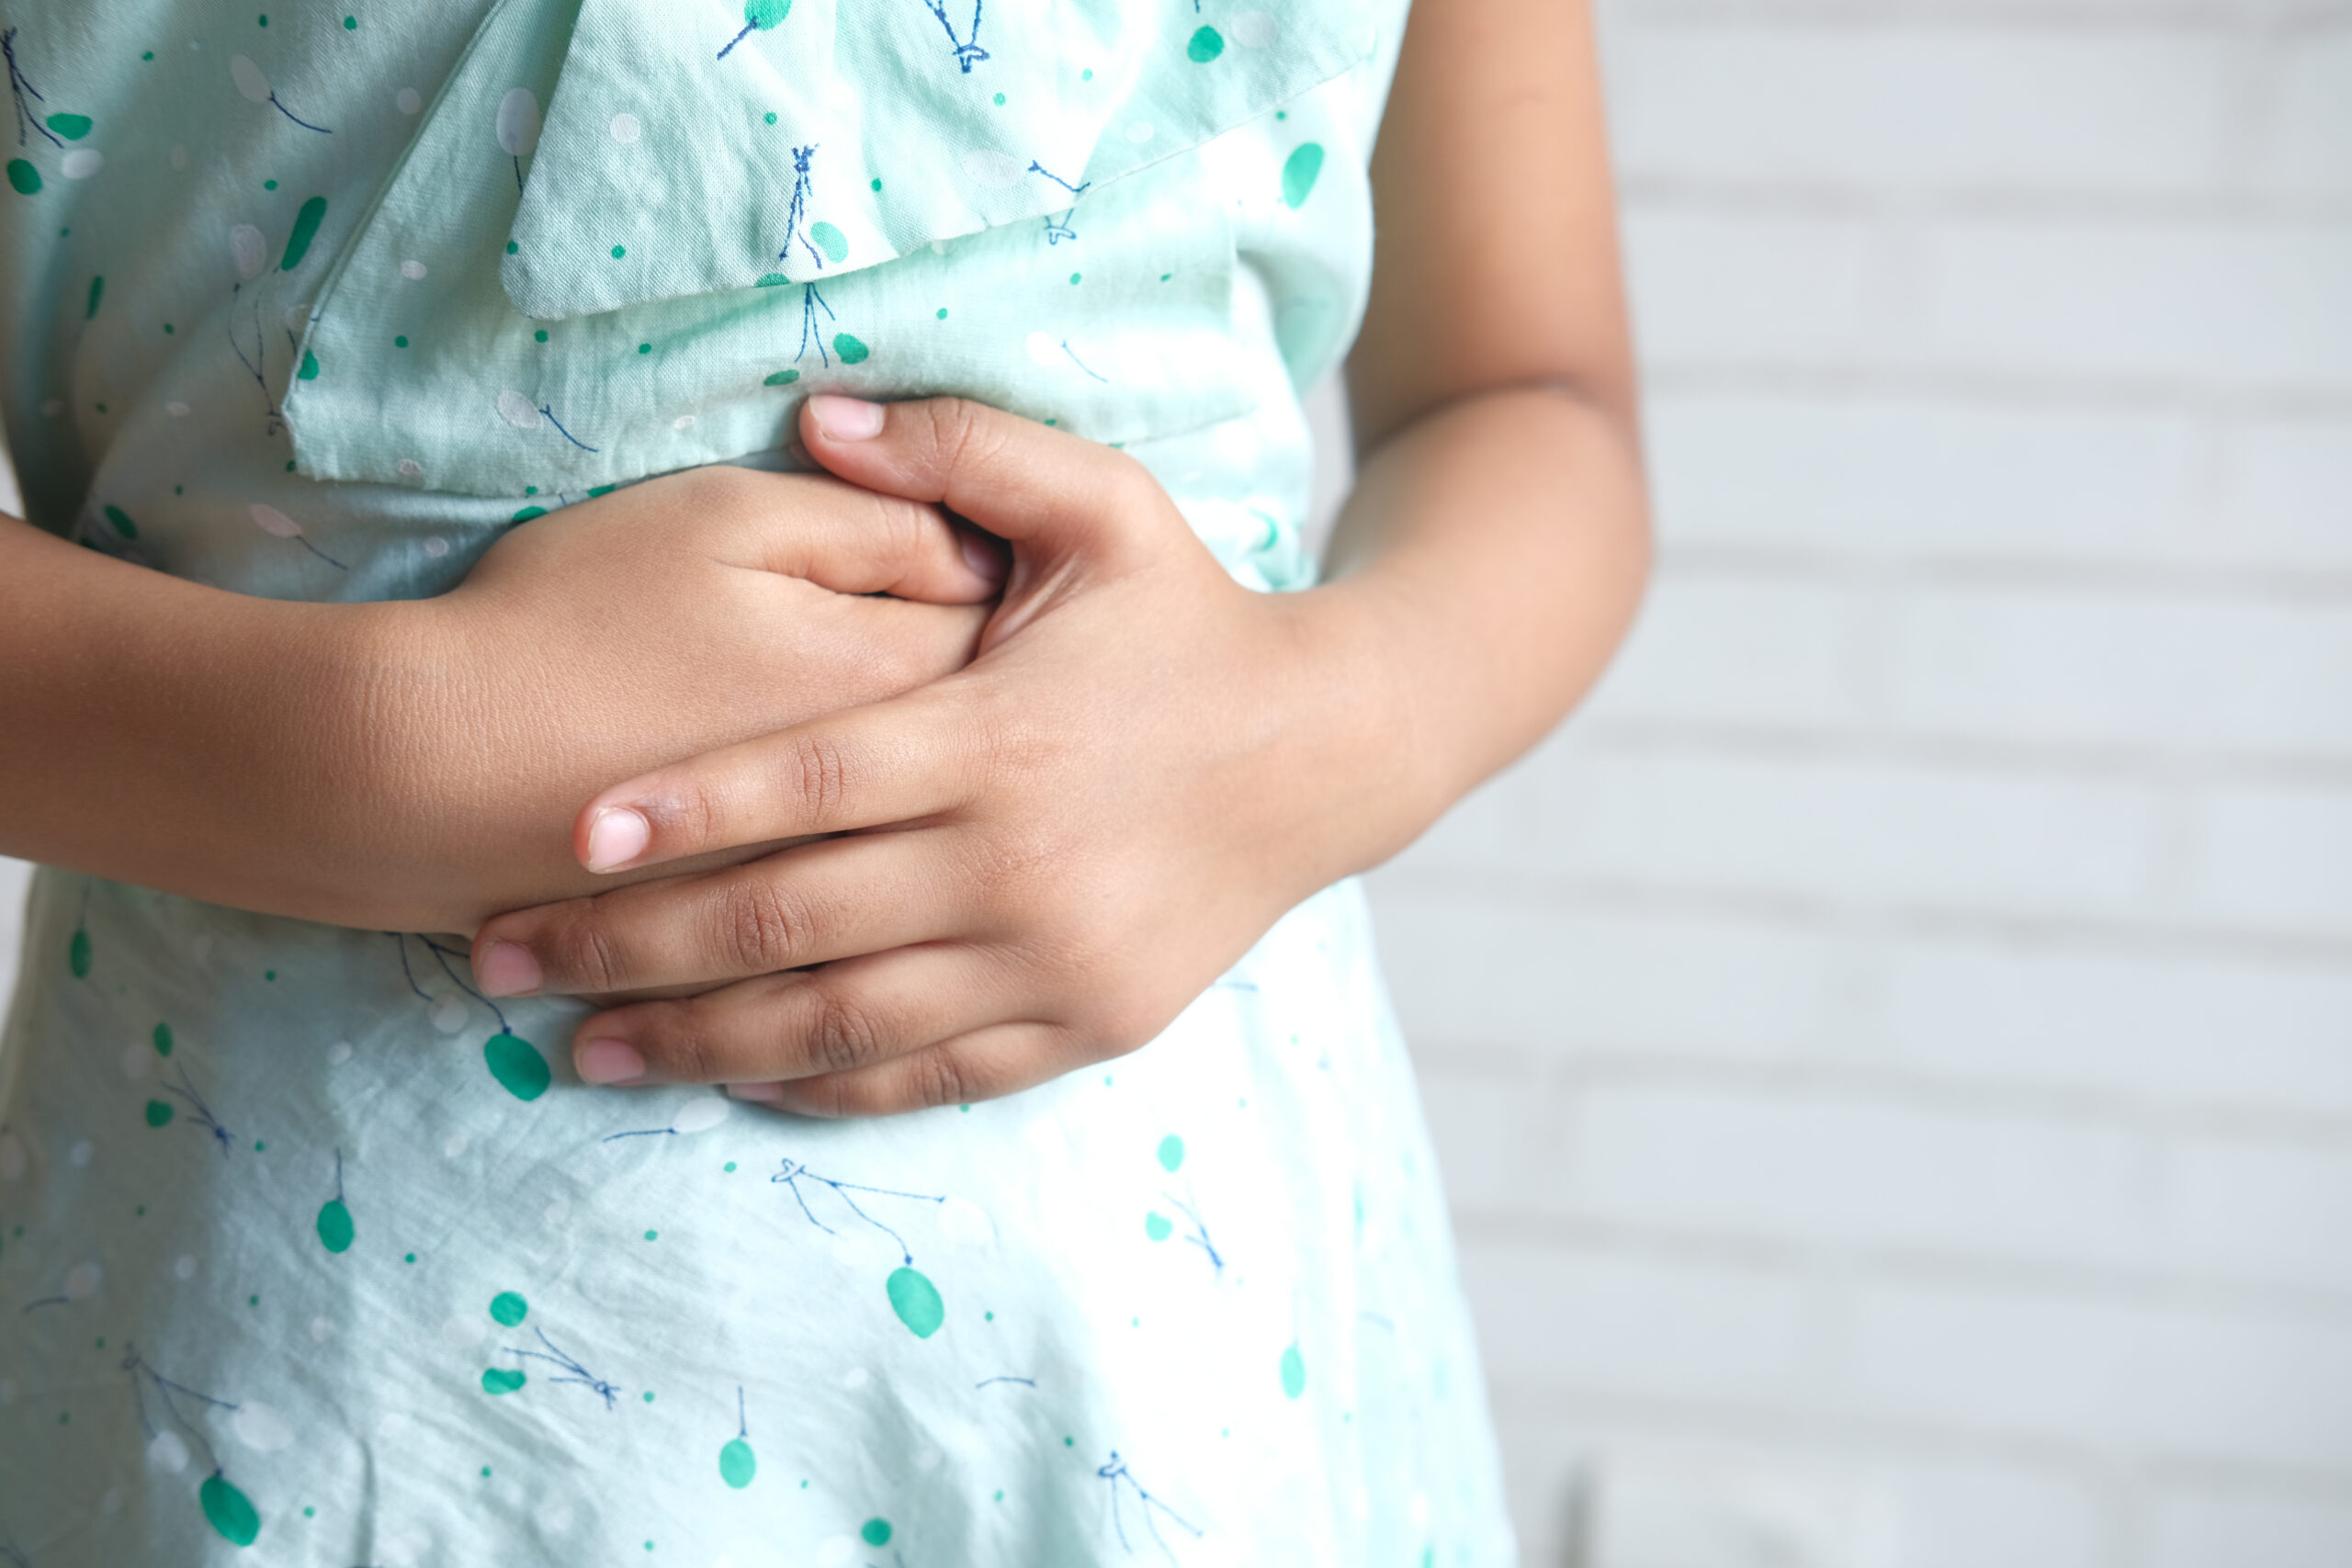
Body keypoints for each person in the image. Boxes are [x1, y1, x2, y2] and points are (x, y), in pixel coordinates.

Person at [0, 0, 1647, 1561]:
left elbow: (1527, 396)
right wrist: (369, 743)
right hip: (297, 1348)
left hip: (1186, 1359)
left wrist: (1313, 728)